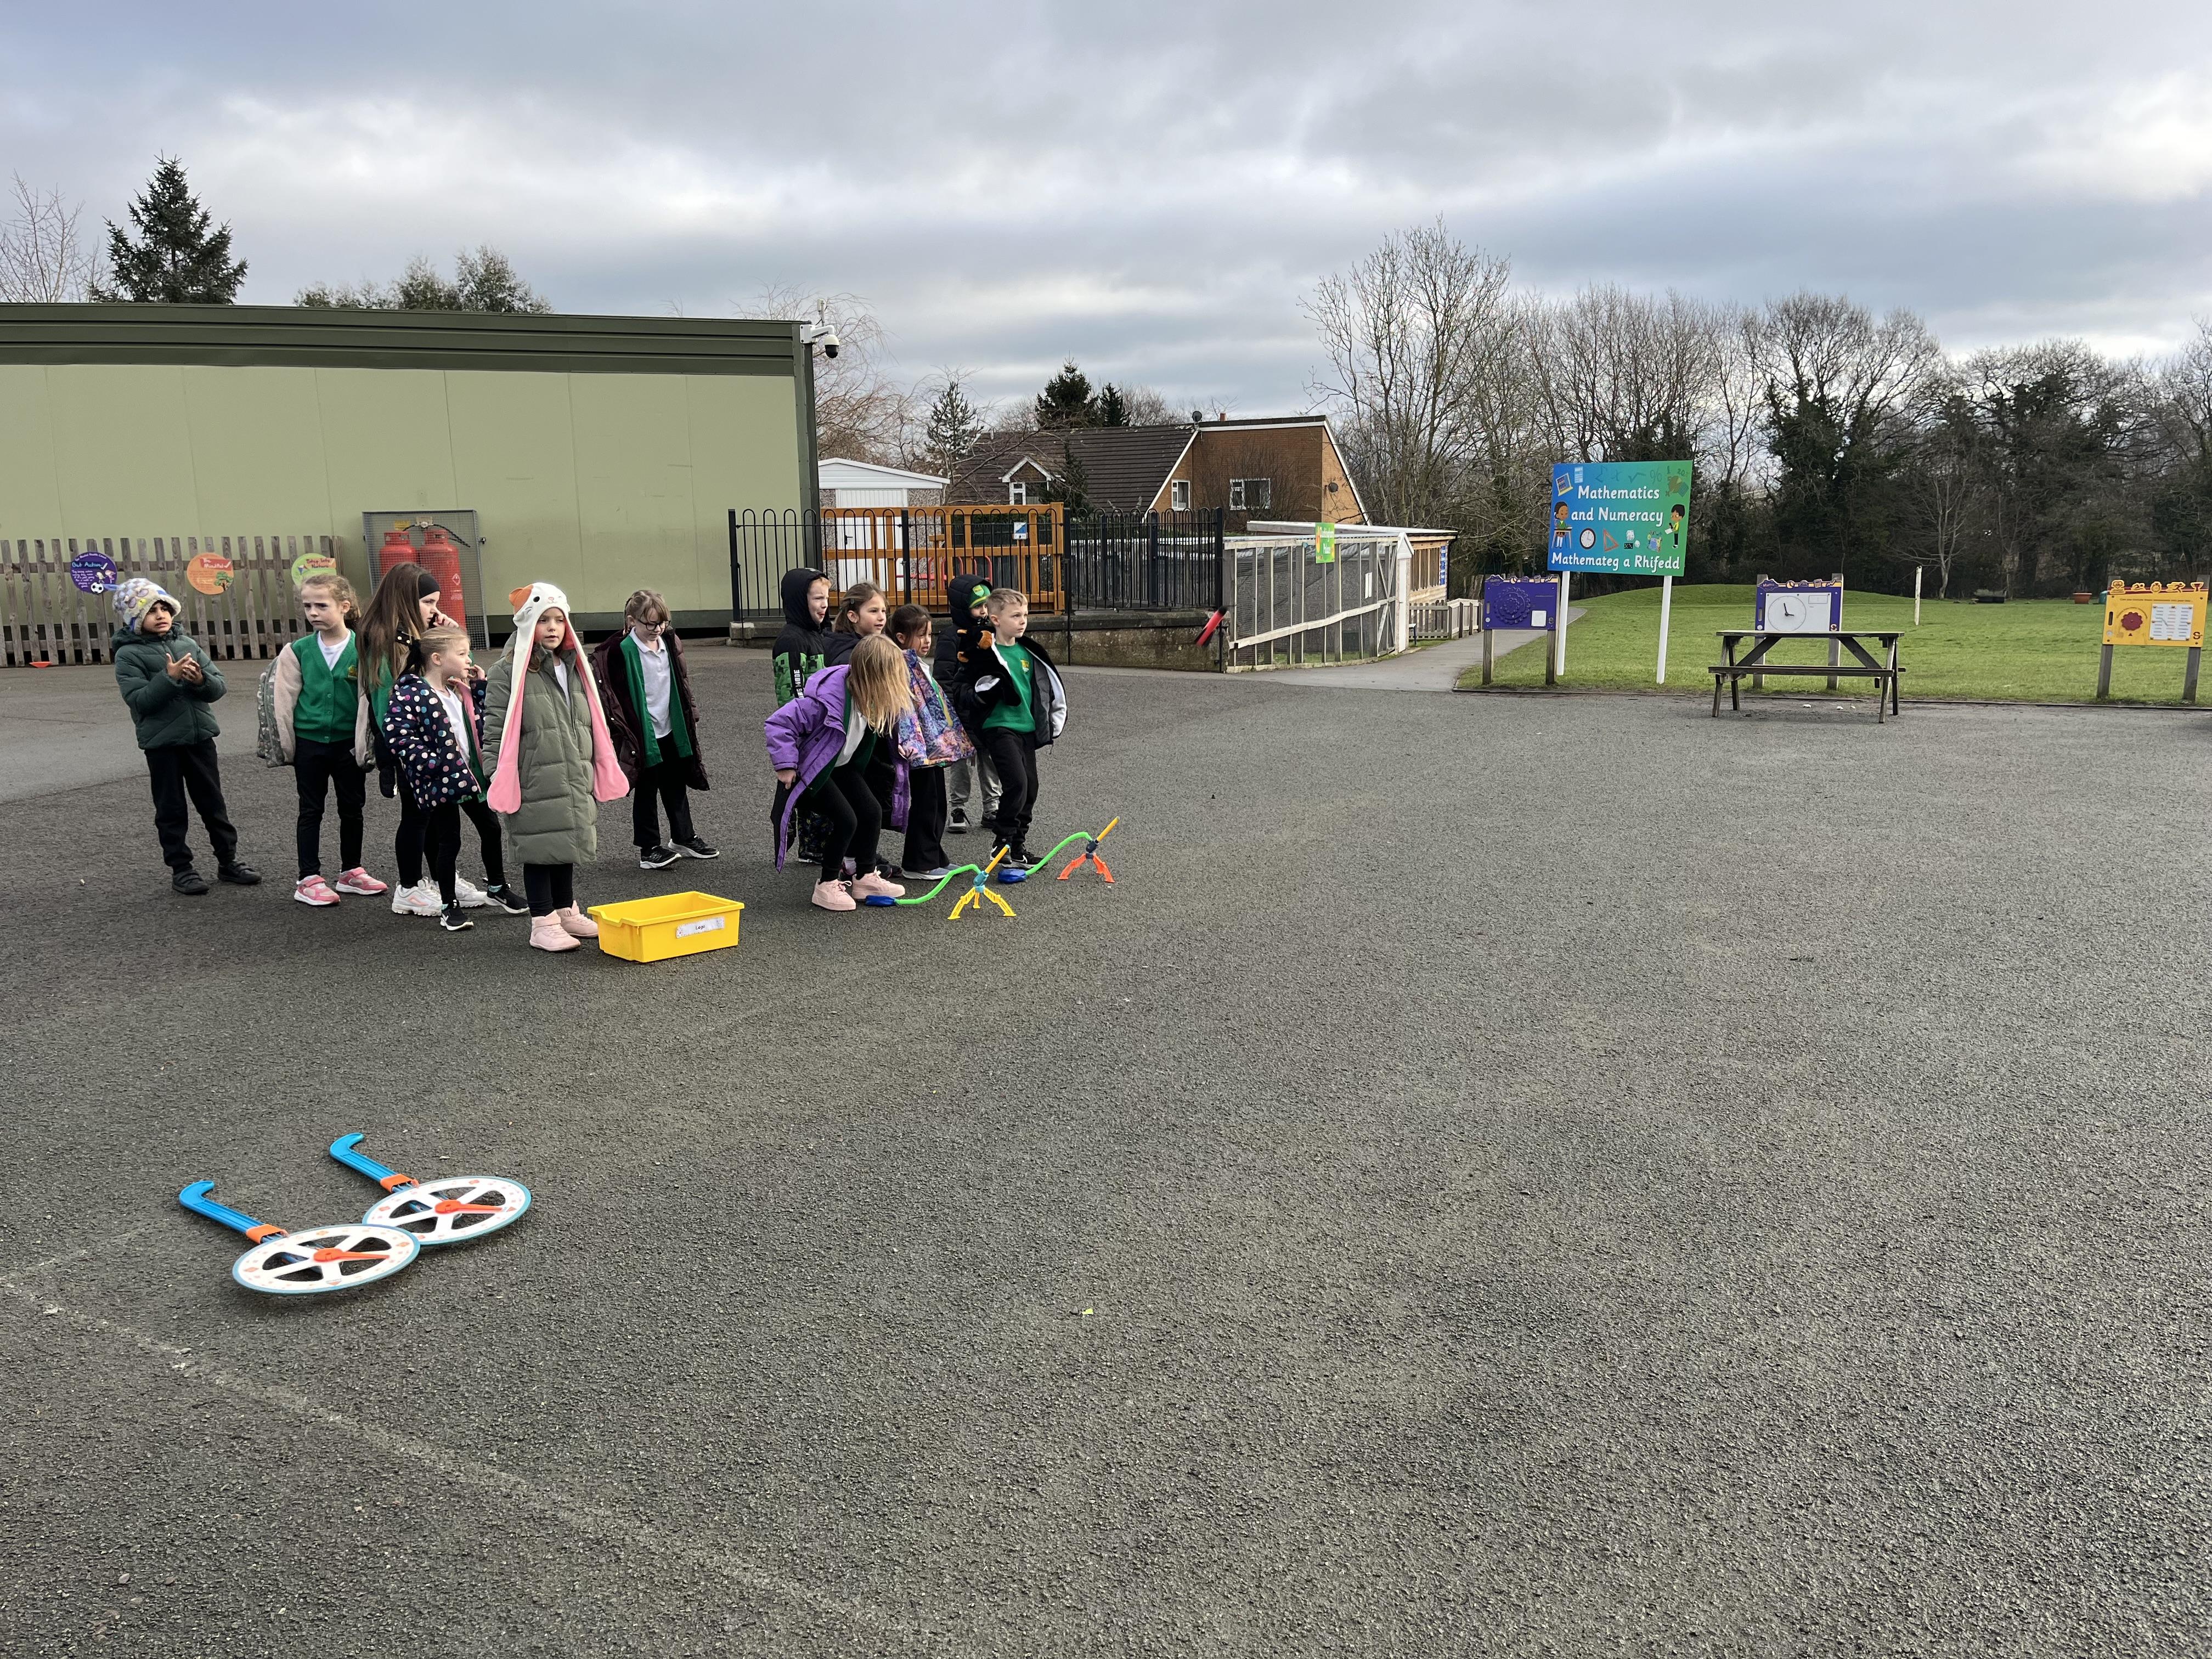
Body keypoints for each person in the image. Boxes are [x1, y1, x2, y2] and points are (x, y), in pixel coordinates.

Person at [359, 563, 523, 916]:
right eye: (428, 602)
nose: (435, 609)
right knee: (417, 817)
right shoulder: (386, 641)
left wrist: (449, 636)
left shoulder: (416, 636)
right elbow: (388, 706)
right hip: (415, 747)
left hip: (441, 747)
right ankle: (409, 887)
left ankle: (436, 880)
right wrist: (408, 755)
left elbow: (458, 672)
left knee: (436, 820)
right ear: (405, 600)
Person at [484, 583, 630, 953]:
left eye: (559, 620)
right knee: (538, 848)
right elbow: (495, 725)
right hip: (534, 775)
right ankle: (542, 921)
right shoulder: (509, 671)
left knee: (565, 843)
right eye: (543, 620)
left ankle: (564, 910)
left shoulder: (575, 667)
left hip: (572, 770)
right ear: (526, 623)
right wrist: (496, 771)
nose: (552, 627)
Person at [110, 578, 259, 896]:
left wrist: (200, 679)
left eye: (165, 608)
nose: (161, 615)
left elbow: (218, 687)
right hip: (162, 744)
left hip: (200, 738)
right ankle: (182, 868)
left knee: (213, 803)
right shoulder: (128, 655)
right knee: (171, 808)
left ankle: (228, 861)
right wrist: (169, 678)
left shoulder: (187, 644)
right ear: (134, 619)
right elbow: (140, 701)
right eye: (151, 611)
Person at [763, 634, 914, 913]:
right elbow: (778, 723)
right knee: (847, 820)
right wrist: (785, 765)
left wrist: (899, 749)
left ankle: (865, 877)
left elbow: (880, 732)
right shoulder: (825, 700)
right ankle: (827, 884)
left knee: (871, 812)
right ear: (873, 677)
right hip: (812, 771)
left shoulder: (870, 698)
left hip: (840, 767)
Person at [271, 572, 385, 907]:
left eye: (322, 605)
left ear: (345, 606)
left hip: (348, 744)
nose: (313, 612)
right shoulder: (298, 650)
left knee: (352, 808)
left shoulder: (364, 648)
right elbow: (284, 700)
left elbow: (372, 697)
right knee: (311, 809)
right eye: (308, 606)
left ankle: (351, 871)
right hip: (310, 743)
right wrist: (286, 745)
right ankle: (308, 877)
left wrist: (370, 745)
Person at [380, 627, 495, 933]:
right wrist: (433, 763)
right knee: (449, 840)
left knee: (489, 828)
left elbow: (478, 721)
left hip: (467, 777)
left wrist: (478, 687)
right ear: (437, 659)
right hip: (440, 779)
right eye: (462, 653)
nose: (469, 659)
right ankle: (448, 905)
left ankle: (494, 887)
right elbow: (397, 735)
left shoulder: (455, 689)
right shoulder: (412, 692)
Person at [591, 588, 716, 871]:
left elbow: (682, 681)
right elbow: (611, 697)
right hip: (642, 732)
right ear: (632, 621)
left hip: (670, 725)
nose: (658, 629)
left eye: (663, 622)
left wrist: (692, 712)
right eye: (650, 624)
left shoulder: (668, 642)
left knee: (675, 783)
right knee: (646, 790)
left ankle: (683, 837)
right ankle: (649, 850)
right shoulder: (620, 651)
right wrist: (620, 731)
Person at [952, 587, 1068, 874]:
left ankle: (1017, 847)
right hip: (998, 727)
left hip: (1027, 729)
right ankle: (1001, 842)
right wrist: (980, 696)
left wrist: (1048, 720)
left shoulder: (1029, 652)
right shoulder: (982, 653)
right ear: (995, 620)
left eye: (1025, 615)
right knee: (1016, 782)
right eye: (1015, 616)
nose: (1023, 620)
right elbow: (961, 689)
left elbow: (1042, 690)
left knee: (1030, 788)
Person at [889, 603, 970, 881]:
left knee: (936, 799)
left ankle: (934, 856)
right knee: (926, 801)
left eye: (929, 635)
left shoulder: (914, 663)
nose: (927, 641)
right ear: (902, 637)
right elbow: (904, 710)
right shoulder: (900, 665)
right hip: (917, 745)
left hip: (929, 743)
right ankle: (919, 862)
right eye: (921, 635)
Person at [938, 573, 999, 835]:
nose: (983, 611)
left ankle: (992, 807)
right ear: (963, 607)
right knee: (961, 764)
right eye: (977, 606)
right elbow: (944, 678)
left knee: (990, 759)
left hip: (987, 709)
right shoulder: (951, 637)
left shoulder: (992, 633)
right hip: (962, 712)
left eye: (986, 605)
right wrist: (951, 711)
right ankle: (958, 809)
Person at [770, 567, 831, 704]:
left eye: (827, 598)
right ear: (800, 602)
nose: (825, 605)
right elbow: (793, 698)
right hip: (807, 716)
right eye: (818, 599)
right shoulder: (792, 641)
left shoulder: (818, 634)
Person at [822, 581, 888, 665]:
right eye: (874, 611)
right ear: (853, 616)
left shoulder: (884, 646)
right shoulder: (848, 658)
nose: (882, 617)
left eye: (883, 611)